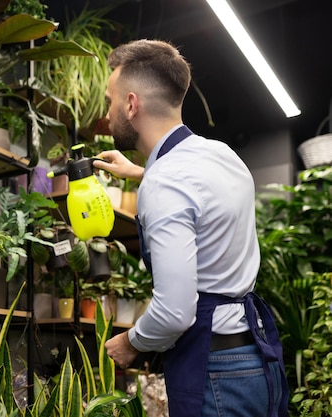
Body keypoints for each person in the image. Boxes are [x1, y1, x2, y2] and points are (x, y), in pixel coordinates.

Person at [92, 39, 289, 417]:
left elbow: (174, 312)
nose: (109, 110)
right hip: (254, 359)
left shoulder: (165, 183)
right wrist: (139, 172)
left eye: (110, 100)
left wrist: (132, 342)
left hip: (214, 372)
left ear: (131, 105)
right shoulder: (222, 155)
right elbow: (195, 194)